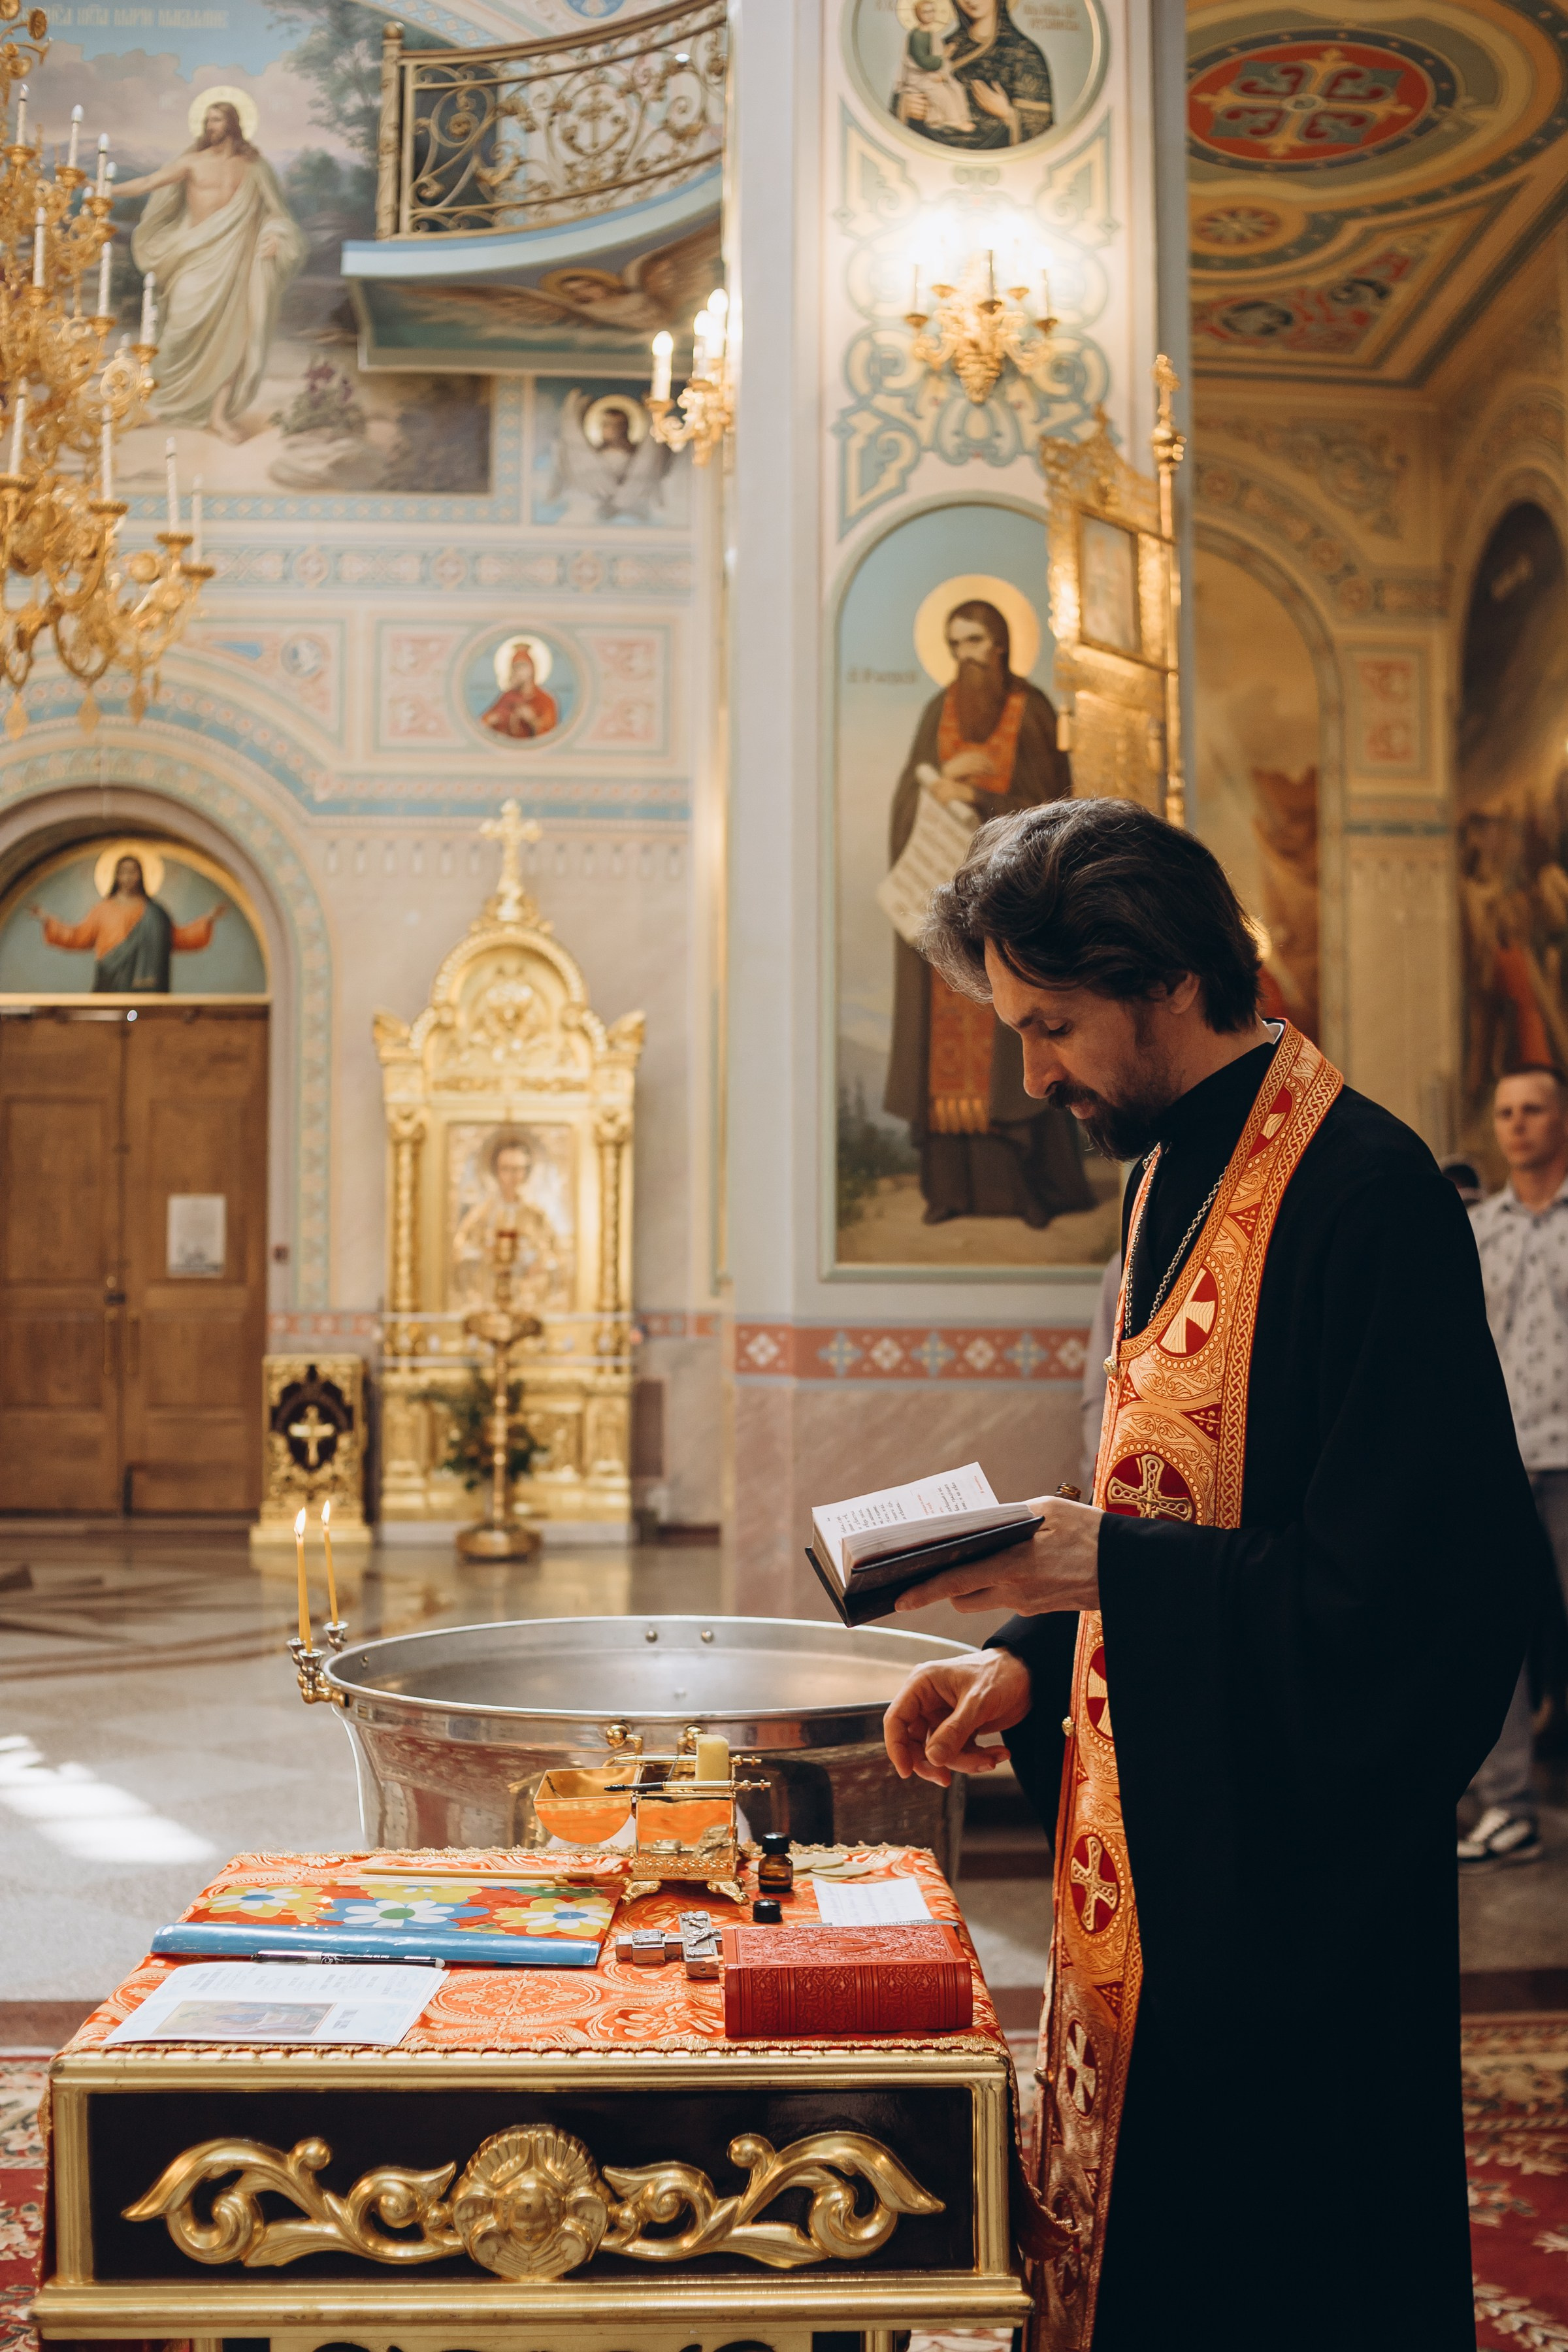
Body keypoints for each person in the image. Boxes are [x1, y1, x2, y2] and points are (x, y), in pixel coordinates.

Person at [879, 796, 1537, 2351]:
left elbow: (1421, 1604)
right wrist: (1027, 1666)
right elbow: (1163, 1497)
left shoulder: (1364, 1198)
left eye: (1046, 1027)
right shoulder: (1167, 1163)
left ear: (1161, 979)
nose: (1029, 1074)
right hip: (1153, 1854)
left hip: (1288, 1904)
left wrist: (1092, 1565)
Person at [883, 599, 1093, 1227]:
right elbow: (904, 802)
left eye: (974, 640)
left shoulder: (1030, 710)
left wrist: (971, 793)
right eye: (954, 643)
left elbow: (1051, 810)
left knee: (1012, 1040)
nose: (965, 654)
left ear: (999, 642)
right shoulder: (937, 710)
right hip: (944, 908)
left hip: (1014, 914)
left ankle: (1031, 1190)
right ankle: (951, 1191)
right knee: (944, 1053)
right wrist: (935, 785)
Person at [1459, 1065, 1568, 1868]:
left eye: (1534, 1111)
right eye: (1506, 1113)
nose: (1518, 1125)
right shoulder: (1479, 1228)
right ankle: (1511, 1809)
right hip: (1499, 1462)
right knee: (1490, 1634)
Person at [120, 101, 306, 441]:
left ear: (233, 124)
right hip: (194, 256)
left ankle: (218, 416)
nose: (210, 126)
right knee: (178, 330)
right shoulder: (192, 162)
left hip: (236, 262)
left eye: (217, 120)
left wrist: (277, 238)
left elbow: (277, 214)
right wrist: (105, 191)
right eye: (207, 120)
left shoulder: (255, 167)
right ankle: (160, 402)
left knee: (232, 338)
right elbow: (150, 181)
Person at [28, 853, 224, 991]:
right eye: (124, 872)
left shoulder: (155, 912)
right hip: (111, 977)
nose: (128, 877)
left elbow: (177, 939)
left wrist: (207, 920)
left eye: (133, 872)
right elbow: (79, 937)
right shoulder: (103, 909)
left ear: (141, 876)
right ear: (116, 876)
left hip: (149, 988)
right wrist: (48, 921)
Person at [891, 0, 1054, 148]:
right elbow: (909, 83)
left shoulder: (1025, 54)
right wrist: (906, 104)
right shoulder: (943, 47)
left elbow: (1042, 131)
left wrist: (1008, 115)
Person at [482, 642, 559, 742]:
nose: (518, 672)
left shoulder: (545, 699)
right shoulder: (507, 696)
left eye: (522, 667)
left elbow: (552, 734)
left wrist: (533, 721)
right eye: (515, 668)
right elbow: (485, 722)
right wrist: (492, 720)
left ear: (532, 669)